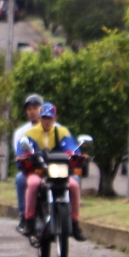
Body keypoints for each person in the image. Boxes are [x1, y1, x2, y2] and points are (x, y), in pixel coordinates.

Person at [19, 102, 87, 241]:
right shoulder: (30, 133)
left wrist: (76, 155)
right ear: (39, 118)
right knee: (33, 184)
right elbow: (22, 150)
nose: (46, 121)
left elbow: (73, 148)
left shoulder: (63, 132)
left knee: (73, 185)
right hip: (38, 171)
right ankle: (29, 221)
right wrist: (26, 156)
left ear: (55, 118)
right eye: (44, 117)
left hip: (59, 171)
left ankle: (75, 223)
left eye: (50, 118)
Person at [12, 93, 44, 229]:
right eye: (29, 109)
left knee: (73, 181)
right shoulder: (21, 132)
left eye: (35, 108)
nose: (32, 112)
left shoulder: (57, 129)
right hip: (32, 168)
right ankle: (24, 216)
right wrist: (24, 158)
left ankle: (68, 217)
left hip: (53, 168)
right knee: (20, 179)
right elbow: (18, 151)